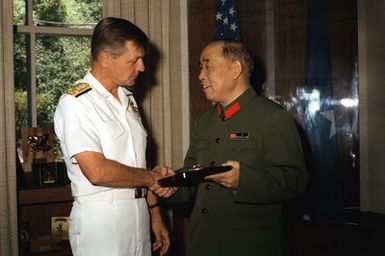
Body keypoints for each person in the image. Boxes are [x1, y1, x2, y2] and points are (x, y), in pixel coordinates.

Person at [171, 40, 308, 256]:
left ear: (236, 69)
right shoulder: (204, 120)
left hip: (248, 246)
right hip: (202, 244)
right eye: (200, 67)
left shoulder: (272, 117)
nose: (200, 76)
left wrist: (242, 180)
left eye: (208, 66)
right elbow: (193, 180)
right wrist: (172, 186)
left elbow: (295, 181)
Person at [54, 17, 174, 256]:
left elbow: (137, 163)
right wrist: (151, 178)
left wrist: (155, 213)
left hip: (138, 216)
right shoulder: (77, 103)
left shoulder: (128, 98)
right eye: (133, 60)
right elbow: (97, 171)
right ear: (106, 59)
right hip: (102, 224)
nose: (142, 67)